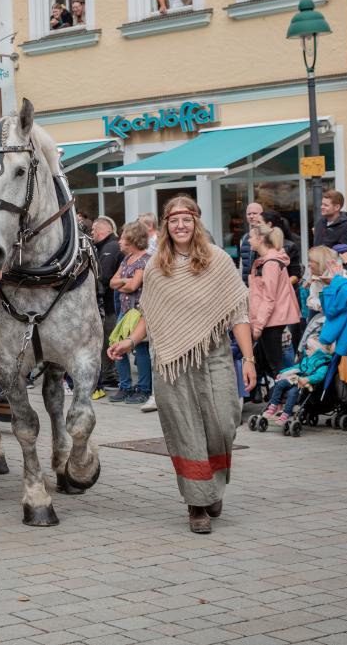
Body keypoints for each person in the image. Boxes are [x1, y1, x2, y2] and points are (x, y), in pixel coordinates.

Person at [109, 196, 256, 534]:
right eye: (173, 220)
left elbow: (239, 312)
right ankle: (197, 504)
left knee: (223, 424)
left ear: (196, 222)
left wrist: (248, 359)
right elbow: (149, 313)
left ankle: (212, 485)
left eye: (186, 220)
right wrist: (131, 341)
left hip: (215, 355)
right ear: (165, 225)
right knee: (185, 431)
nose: (180, 226)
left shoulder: (218, 261)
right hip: (172, 362)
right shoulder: (156, 266)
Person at [248, 224, 301, 385]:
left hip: (270, 321)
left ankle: (283, 403)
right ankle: (280, 402)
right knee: (272, 366)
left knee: (276, 367)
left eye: (251, 237)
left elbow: (269, 297)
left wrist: (258, 326)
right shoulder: (265, 261)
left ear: (260, 239)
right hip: (268, 320)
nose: (249, 240)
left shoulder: (270, 264)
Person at [109, 220, 153, 408]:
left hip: (138, 311)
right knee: (116, 344)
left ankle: (143, 389)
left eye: (124, 236)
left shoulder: (146, 259)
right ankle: (125, 385)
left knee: (141, 350)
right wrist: (126, 281)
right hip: (125, 310)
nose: (120, 239)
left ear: (133, 238)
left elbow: (134, 286)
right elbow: (112, 282)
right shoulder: (127, 259)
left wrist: (123, 282)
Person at [261, 337, 334, 427]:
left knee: (293, 392)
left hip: (305, 384)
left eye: (308, 348)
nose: (305, 349)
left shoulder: (322, 364)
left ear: (317, 351)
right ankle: (273, 406)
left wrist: (308, 379)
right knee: (280, 383)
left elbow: (319, 376)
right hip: (296, 378)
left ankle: (286, 414)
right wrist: (283, 372)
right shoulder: (306, 359)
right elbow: (297, 367)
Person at [91, 217, 122, 397]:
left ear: (101, 230)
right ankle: (110, 376)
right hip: (110, 305)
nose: (92, 234)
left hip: (111, 306)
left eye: (94, 230)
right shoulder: (104, 247)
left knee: (108, 342)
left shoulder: (111, 247)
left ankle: (110, 377)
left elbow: (103, 276)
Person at [237, 201, 264, 285]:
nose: (251, 216)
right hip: (247, 285)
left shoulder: (268, 236)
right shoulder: (244, 238)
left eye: (255, 213)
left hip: (263, 284)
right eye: (249, 214)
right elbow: (242, 263)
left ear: (262, 215)